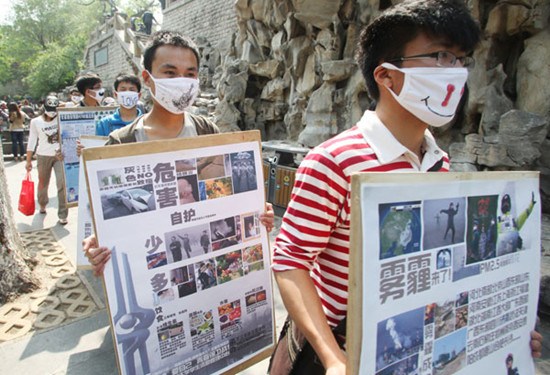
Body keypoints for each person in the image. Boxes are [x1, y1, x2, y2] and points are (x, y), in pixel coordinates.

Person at [269, 1, 542, 374]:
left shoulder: (438, 160)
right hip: (337, 351)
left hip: (405, 352)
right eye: (441, 56)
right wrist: (333, 357)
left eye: (461, 60)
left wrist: (505, 331)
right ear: (387, 76)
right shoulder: (333, 161)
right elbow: (291, 262)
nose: (456, 73)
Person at [82, 30, 275, 275]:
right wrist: (96, 243)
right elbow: (107, 215)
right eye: (170, 73)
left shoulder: (207, 132)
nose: (181, 81)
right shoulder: (122, 143)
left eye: (190, 74)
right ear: (147, 77)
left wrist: (255, 212)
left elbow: (224, 196)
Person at [25, 96, 68, 225]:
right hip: (43, 155)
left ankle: (63, 214)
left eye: (54, 109)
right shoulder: (36, 122)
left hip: (59, 156)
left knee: (62, 184)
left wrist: (64, 106)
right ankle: (42, 203)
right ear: (44, 107)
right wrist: (28, 161)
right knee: (43, 182)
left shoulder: (61, 118)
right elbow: (32, 141)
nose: (52, 112)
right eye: (50, 109)